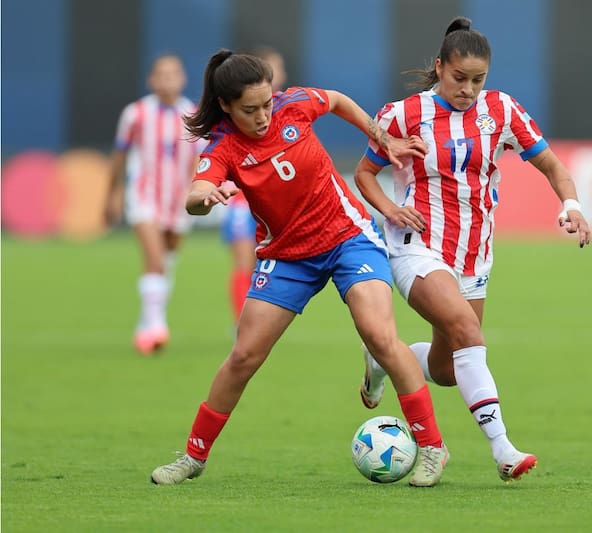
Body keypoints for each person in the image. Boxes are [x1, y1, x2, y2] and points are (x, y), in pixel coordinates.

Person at [150, 49, 449, 487]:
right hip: (287, 257)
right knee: (243, 356)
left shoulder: (294, 103)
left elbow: (337, 100)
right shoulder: (223, 146)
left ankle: (433, 448)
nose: (264, 116)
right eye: (250, 110)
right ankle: (193, 457)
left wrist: (381, 138)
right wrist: (203, 199)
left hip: (348, 238)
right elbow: (196, 194)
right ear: (228, 106)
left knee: (382, 337)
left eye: (267, 103)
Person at [353, 17, 591, 483]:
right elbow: (365, 173)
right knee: (467, 330)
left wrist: (572, 204)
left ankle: (381, 357)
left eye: (478, 80)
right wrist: (389, 209)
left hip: (475, 255)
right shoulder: (402, 114)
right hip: (416, 245)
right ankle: (502, 449)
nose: (467, 89)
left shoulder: (501, 111)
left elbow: (551, 164)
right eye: (459, 78)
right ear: (440, 67)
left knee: (446, 369)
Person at [106, 53, 203, 355]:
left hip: (178, 199)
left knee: (167, 261)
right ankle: (156, 326)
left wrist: (198, 191)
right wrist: (114, 191)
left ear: (183, 78)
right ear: (151, 80)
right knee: (156, 259)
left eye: (173, 73)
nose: (167, 79)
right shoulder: (135, 114)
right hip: (144, 195)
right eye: (161, 74)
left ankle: (146, 322)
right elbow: (120, 155)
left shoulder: (193, 114)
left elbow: (202, 157)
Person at [220, 47, 288, 324]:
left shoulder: (290, 110)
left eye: (279, 67)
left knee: (268, 268)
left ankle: (256, 322)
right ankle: (242, 325)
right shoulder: (236, 114)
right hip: (241, 200)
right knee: (243, 263)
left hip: (271, 201)